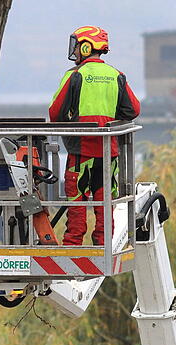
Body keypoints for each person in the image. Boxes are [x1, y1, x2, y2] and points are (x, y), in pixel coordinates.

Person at [49, 26, 140, 246]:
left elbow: (55, 113)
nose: (76, 51)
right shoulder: (116, 75)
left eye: (78, 45)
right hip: (109, 153)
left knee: (77, 202)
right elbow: (133, 110)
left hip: (80, 152)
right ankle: (103, 245)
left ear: (87, 46)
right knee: (104, 201)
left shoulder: (75, 75)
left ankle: (73, 247)